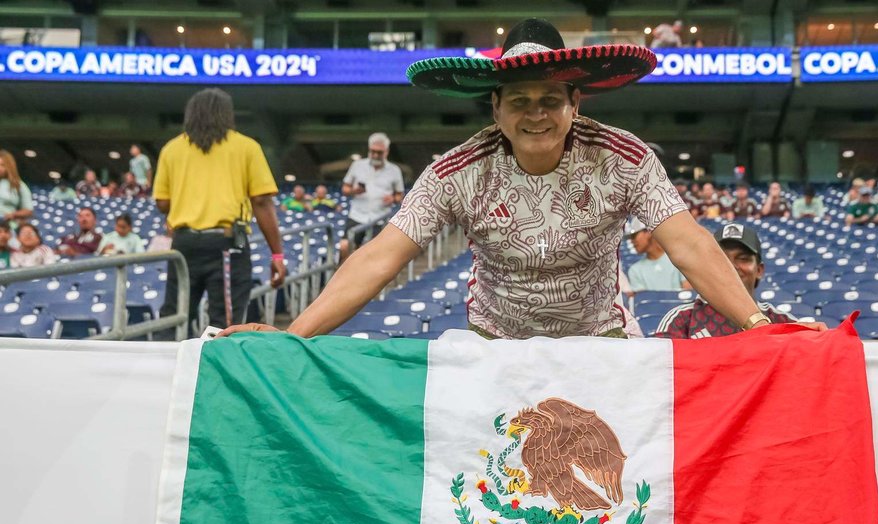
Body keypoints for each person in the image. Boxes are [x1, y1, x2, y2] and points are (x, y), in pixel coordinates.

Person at [220, 18, 779, 341]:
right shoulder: (455, 172)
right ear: (495, 108)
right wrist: (293, 339)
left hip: (600, 340)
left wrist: (758, 326)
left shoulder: (624, 157)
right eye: (519, 101)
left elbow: (691, 245)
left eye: (549, 100)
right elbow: (380, 257)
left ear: (575, 103)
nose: (535, 113)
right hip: (496, 344)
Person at [153, 88, 286, 337]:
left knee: (174, 317)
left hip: (184, 243)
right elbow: (261, 202)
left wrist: (191, 197)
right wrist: (277, 255)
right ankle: (217, 374)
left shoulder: (172, 149)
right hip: (226, 245)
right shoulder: (246, 147)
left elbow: (162, 203)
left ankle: (167, 373)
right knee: (225, 324)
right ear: (227, 115)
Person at [654, 223, 806, 338]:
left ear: (759, 270)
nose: (732, 267)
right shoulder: (680, 320)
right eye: (722, 259)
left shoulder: (783, 322)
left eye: (743, 259)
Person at [340, 132, 405, 261]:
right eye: (373, 151)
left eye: (379, 152)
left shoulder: (394, 170)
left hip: (379, 218)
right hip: (357, 215)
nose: (375, 155)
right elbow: (345, 189)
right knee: (345, 247)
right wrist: (355, 191)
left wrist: (392, 199)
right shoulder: (357, 165)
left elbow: (400, 196)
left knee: (375, 255)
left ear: (386, 152)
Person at [625, 219, 687, 292]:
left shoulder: (679, 258)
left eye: (634, 236)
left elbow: (688, 295)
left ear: (649, 231)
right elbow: (642, 300)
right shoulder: (634, 270)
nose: (632, 241)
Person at [0, 150, 34, 231]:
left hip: (7, 228)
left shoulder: (19, 185)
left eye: (2, 165)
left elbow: (28, 210)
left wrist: (12, 215)